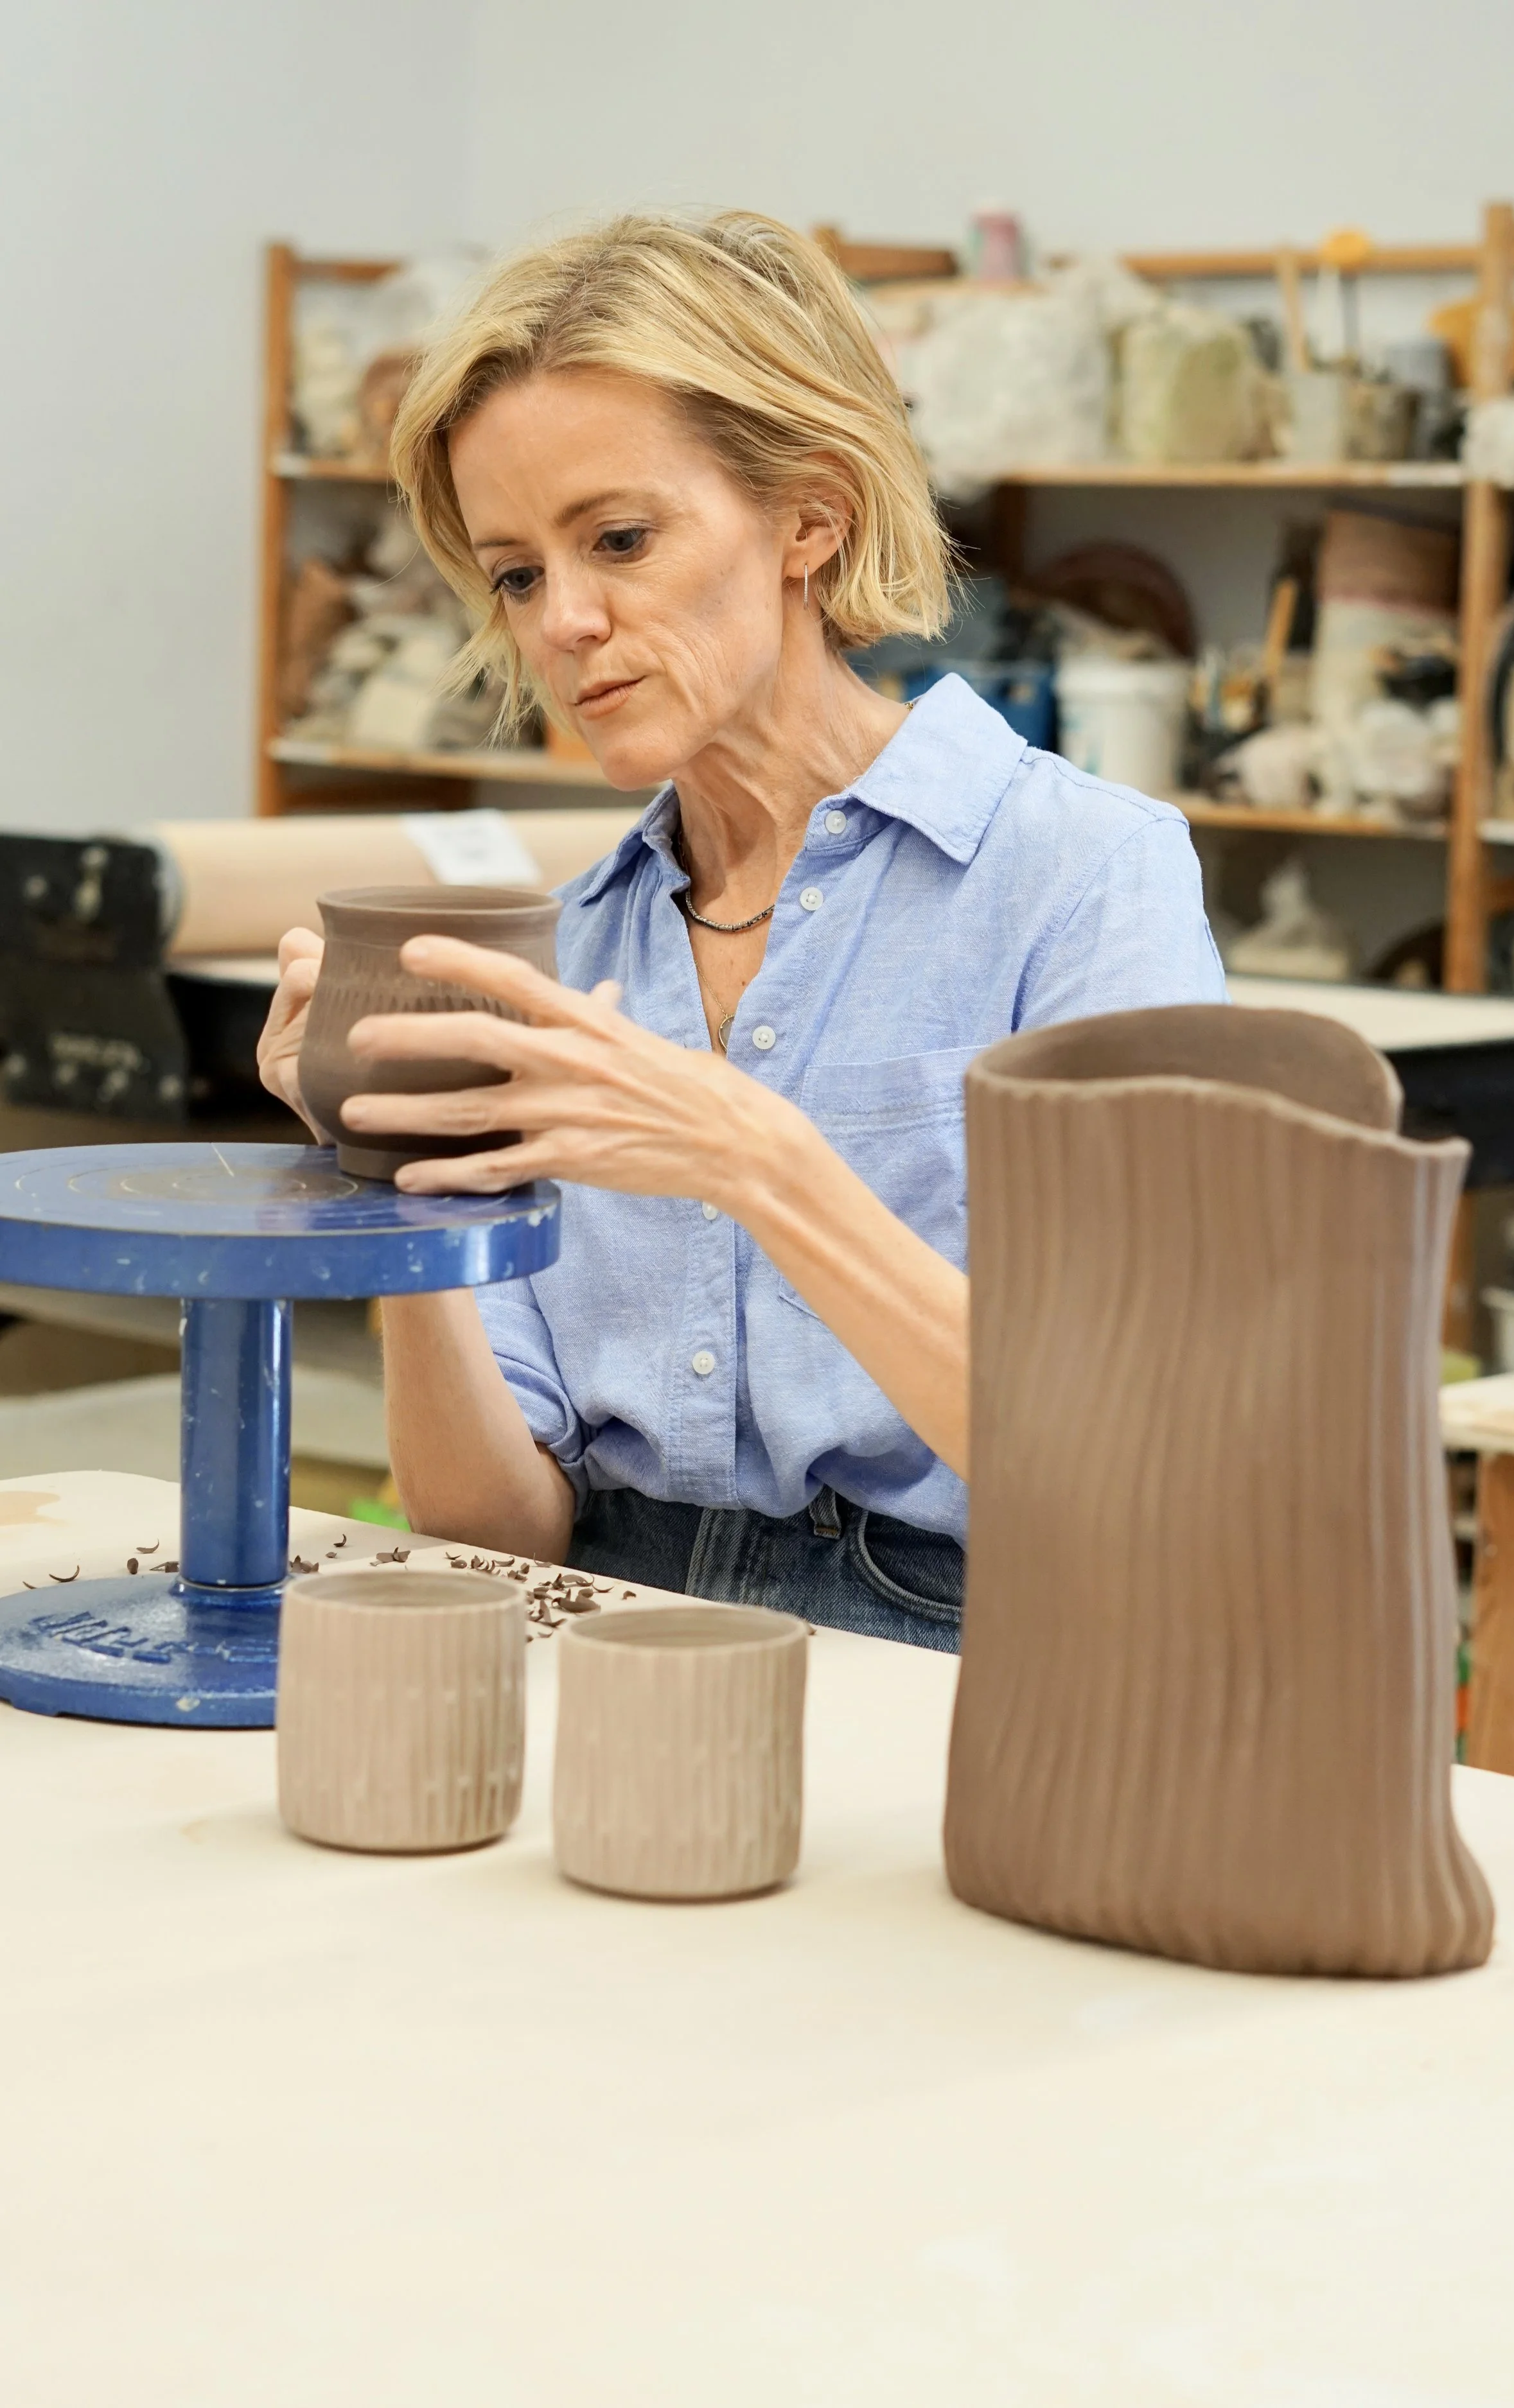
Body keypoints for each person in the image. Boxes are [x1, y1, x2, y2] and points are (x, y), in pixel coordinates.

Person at [258, 210, 1225, 1650]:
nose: (563, 622)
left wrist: (753, 1158)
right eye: (517, 573)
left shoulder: (1081, 880)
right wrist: (390, 1175)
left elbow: (1119, 1458)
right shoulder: (568, 955)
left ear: (809, 517)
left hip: (961, 1656)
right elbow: (488, 1531)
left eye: (621, 540)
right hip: (594, 1623)